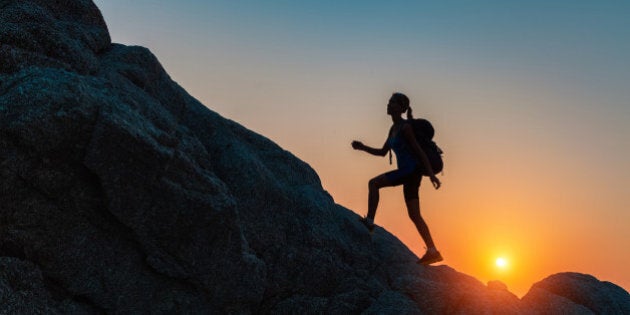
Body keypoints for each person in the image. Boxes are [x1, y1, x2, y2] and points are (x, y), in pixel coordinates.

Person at [351, 92, 443, 265]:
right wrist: (362, 147)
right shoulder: (393, 129)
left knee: (374, 183)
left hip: (410, 170)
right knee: (414, 214)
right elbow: (382, 152)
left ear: (401, 108)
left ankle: (369, 221)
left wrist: (431, 174)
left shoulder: (405, 128)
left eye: (392, 102)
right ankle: (433, 251)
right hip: (409, 173)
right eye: (389, 102)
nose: (388, 105)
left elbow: (419, 151)